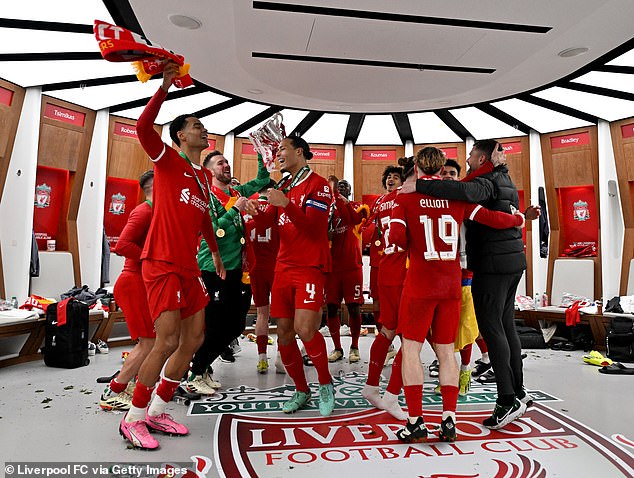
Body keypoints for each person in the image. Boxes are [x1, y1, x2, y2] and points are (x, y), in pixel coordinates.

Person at [119, 61, 225, 450]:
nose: (203, 129)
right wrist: (164, 85)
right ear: (180, 135)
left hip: (188, 266)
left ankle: (159, 408)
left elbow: (201, 222)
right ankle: (133, 418)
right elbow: (142, 129)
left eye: (203, 125)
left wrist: (213, 255)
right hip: (161, 262)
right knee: (164, 341)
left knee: (194, 339)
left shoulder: (200, 178)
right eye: (196, 125)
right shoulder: (167, 159)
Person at [400, 139, 540, 431]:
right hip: (456, 281)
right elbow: (491, 217)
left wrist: (418, 189)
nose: (467, 162)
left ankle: (416, 420)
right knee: (453, 348)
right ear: (441, 167)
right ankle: (451, 418)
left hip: (427, 282)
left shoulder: (408, 197)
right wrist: (519, 219)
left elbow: (398, 242)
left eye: (472, 156)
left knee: (413, 349)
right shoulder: (480, 191)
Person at [260, 136, 335, 416]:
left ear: (299, 152)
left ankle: (325, 384)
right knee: (284, 333)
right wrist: (252, 209)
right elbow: (268, 221)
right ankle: (301, 390)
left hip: (308, 267)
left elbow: (315, 231)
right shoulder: (283, 185)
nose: (278, 154)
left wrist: (286, 204)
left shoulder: (318, 185)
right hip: (283, 268)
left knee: (305, 329)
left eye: (282, 149)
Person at [186, 149, 270, 392]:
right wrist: (236, 210)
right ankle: (196, 372)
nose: (226, 166)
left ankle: (200, 368)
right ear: (209, 170)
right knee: (214, 326)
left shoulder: (235, 191)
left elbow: (263, 181)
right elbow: (210, 231)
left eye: (227, 163)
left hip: (239, 269)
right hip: (213, 269)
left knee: (235, 327)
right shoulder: (207, 196)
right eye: (220, 163)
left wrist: (260, 153)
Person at [100, 170, 155, 411]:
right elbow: (121, 245)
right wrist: (152, 258)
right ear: (154, 185)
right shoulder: (144, 210)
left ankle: (131, 385)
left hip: (144, 282)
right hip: (133, 283)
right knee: (148, 342)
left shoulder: (158, 212)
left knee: (152, 342)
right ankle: (113, 390)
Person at [361, 164, 408, 421]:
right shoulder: (408, 197)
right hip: (403, 272)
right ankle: (392, 394)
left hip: (386, 269)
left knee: (388, 329)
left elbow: (368, 236)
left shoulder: (381, 202)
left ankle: (371, 386)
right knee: (412, 338)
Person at [360, 166, 404, 363]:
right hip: (380, 260)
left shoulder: (404, 198)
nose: (391, 180)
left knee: (401, 307)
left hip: (400, 261)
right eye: (389, 177)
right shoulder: (380, 201)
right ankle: (389, 346)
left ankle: (407, 349)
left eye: (395, 177)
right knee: (377, 303)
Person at [324, 177, 366, 363]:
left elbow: (353, 219)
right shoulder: (328, 210)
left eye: (344, 186)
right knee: (332, 308)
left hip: (352, 266)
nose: (341, 188)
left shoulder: (358, 207)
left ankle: (355, 346)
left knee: (354, 307)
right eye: (338, 186)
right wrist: (326, 234)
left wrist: (337, 196)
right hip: (333, 267)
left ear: (349, 190)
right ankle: (337, 348)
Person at [244, 181, 283, 373]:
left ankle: (261, 358)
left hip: (255, 269)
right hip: (276, 267)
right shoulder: (276, 208)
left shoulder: (248, 210)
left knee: (261, 314)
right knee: (283, 314)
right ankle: (281, 357)